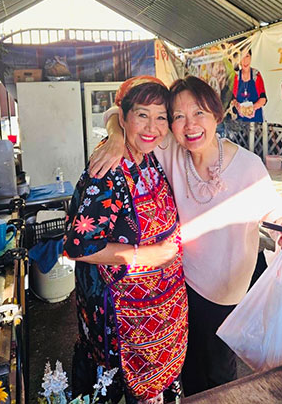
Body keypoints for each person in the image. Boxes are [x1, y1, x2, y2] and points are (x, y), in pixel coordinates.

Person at [89, 75, 282, 397]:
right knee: (186, 370)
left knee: (220, 375)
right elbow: (116, 114)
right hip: (181, 287)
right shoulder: (172, 152)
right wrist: (116, 140)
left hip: (226, 294)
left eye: (199, 113)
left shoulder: (247, 165)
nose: (190, 125)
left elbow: (272, 207)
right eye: (178, 116)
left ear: (216, 115)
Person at [63, 77, 188, 404]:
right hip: (125, 322)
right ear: (125, 118)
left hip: (162, 317)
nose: (152, 127)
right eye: (142, 115)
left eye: (161, 117)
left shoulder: (149, 156)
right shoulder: (110, 169)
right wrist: (147, 256)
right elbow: (79, 246)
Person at [231, 49, 267, 122]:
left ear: (251, 58)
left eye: (247, 56)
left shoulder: (256, 75)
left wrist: (252, 108)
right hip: (240, 121)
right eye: (242, 57)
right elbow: (233, 98)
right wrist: (237, 106)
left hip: (256, 119)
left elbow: (263, 99)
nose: (245, 60)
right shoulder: (236, 76)